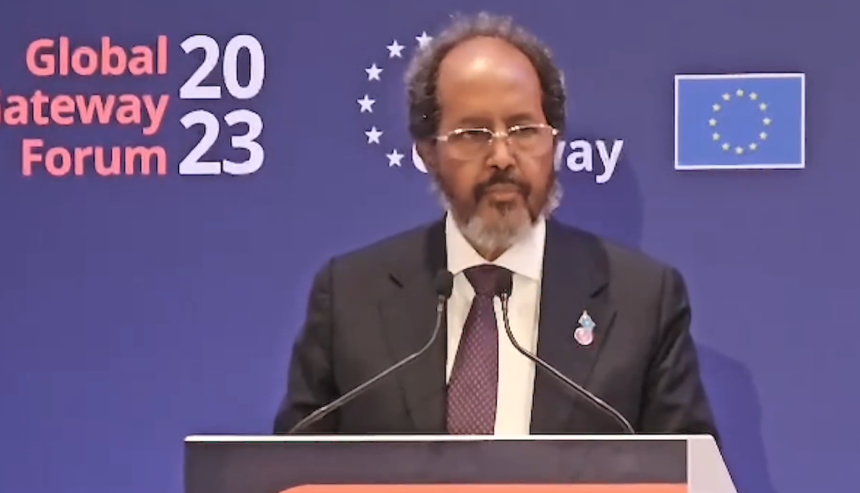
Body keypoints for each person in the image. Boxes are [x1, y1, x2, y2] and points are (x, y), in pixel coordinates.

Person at [273, 11, 718, 438]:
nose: (503, 157)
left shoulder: (642, 301)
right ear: (428, 152)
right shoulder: (351, 297)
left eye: (524, 130)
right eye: (473, 134)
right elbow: (290, 468)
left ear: (555, 142)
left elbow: (687, 470)